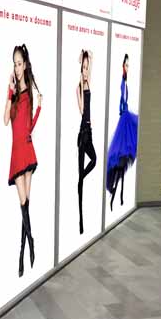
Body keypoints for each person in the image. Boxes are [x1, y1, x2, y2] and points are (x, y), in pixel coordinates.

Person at [4, 44, 42, 277]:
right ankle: (30, 242)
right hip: (16, 153)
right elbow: (5, 120)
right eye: (14, 64)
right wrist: (9, 92)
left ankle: (21, 253)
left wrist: (38, 111)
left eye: (19, 64)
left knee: (26, 204)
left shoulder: (29, 92)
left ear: (25, 65)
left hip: (27, 149)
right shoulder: (13, 92)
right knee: (23, 203)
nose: (17, 68)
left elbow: (28, 127)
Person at [106, 54, 138, 211]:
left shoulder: (125, 83)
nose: (127, 67)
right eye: (126, 65)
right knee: (119, 157)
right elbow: (122, 96)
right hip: (124, 122)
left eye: (128, 65)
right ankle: (113, 190)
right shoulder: (123, 83)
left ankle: (115, 192)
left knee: (121, 158)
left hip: (125, 122)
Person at [76, 50, 96, 234]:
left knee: (94, 160)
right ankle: (81, 222)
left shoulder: (89, 81)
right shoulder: (79, 87)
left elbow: (92, 59)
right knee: (80, 184)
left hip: (89, 132)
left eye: (87, 68)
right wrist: (82, 86)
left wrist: (90, 57)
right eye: (83, 67)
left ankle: (81, 176)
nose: (86, 71)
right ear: (80, 69)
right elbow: (82, 110)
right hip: (82, 133)